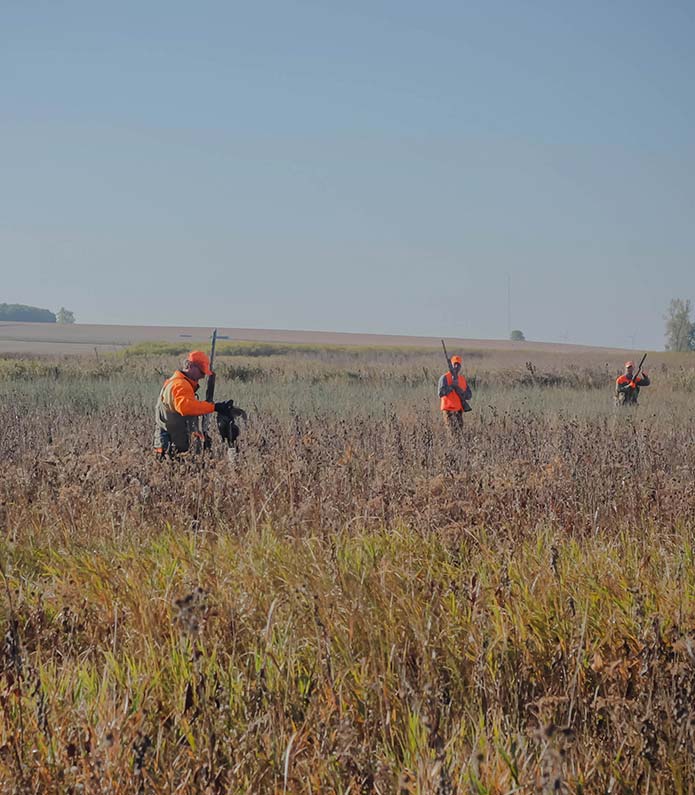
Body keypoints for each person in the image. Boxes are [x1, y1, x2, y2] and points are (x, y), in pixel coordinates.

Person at [153, 350, 236, 456]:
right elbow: (185, 407)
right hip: (172, 447)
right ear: (190, 366)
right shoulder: (180, 384)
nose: (202, 376)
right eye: (201, 371)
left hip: (171, 445)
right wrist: (214, 407)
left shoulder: (175, 382)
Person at [438, 354, 472, 431]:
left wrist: (460, 391)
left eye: (458, 364)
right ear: (451, 365)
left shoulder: (462, 379)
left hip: (459, 411)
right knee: (451, 432)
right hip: (448, 411)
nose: (456, 366)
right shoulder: (444, 377)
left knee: (459, 433)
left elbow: (469, 395)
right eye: (455, 364)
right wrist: (451, 386)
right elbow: (440, 393)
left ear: (460, 367)